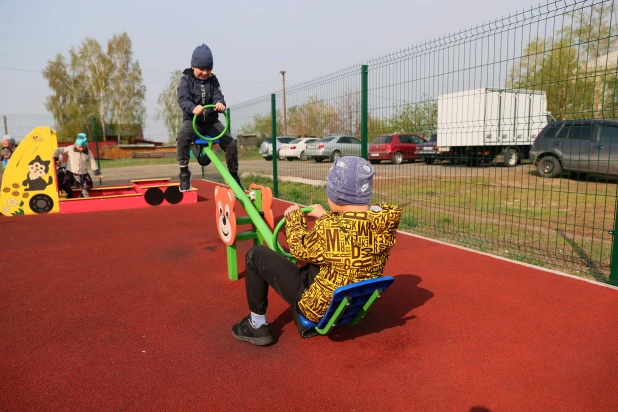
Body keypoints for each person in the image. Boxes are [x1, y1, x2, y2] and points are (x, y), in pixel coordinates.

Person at [232, 156, 402, 346]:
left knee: (256, 255)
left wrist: (294, 220)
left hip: (319, 306)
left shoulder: (330, 231)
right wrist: (326, 216)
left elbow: (298, 249)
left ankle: (256, 325)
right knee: (326, 260)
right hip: (355, 299)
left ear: (337, 195)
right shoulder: (383, 224)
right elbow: (350, 232)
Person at [175, 44, 241, 192]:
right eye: (201, 69)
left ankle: (233, 176)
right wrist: (193, 107)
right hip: (192, 120)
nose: (205, 73)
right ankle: (184, 173)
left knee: (230, 142)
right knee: (182, 137)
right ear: (193, 66)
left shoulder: (213, 80)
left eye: (208, 69)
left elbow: (218, 95)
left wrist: (220, 103)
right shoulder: (186, 80)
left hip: (211, 121)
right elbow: (183, 99)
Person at [53, 133, 103, 198]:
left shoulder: (88, 152)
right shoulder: (70, 148)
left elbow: (92, 162)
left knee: (87, 186)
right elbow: (59, 150)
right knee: (65, 185)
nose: (81, 149)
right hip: (71, 172)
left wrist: (97, 173)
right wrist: (55, 157)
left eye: (83, 147)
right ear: (76, 144)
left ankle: (82, 198)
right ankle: (70, 196)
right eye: (79, 147)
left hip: (82, 173)